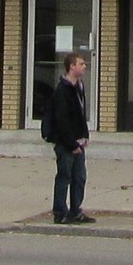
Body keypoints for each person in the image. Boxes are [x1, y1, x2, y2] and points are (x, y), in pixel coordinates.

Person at [48, 51, 93, 225]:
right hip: (66, 143)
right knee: (64, 176)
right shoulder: (62, 90)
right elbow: (62, 120)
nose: (84, 66)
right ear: (71, 66)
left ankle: (76, 210)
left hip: (78, 141)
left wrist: (85, 135)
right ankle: (60, 212)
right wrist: (71, 143)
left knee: (79, 177)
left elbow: (80, 114)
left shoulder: (79, 87)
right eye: (81, 64)